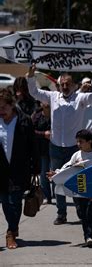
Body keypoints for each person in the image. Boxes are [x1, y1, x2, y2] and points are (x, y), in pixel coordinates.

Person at [26, 64, 92, 225]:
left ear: (74, 85)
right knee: (57, 179)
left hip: (74, 148)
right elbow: (34, 92)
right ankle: (61, 213)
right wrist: (31, 76)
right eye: (62, 84)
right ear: (59, 84)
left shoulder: (80, 98)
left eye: (68, 84)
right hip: (55, 146)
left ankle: (79, 208)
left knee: (76, 179)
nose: (65, 86)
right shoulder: (53, 96)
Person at [0, 88, 39, 249]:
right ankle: (13, 227)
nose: (1, 111)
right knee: (5, 201)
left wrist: (36, 167)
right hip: (1, 169)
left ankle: (11, 231)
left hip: (19, 168)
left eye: (3, 107)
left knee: (15, 201)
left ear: (12, 105)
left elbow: (33, 146)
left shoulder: (24, 121)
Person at [48, 130, 92, 247]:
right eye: (77, 141)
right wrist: (55, 173)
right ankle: (87, 234)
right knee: (81, 213)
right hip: (79, 189)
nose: (78, 144)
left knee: (90, 213)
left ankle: (89, 236)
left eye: (81, 141)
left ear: (89, 141)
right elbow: (67, 168)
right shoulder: (76, 155)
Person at [32, 100, 52, 204]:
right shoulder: (36, 116)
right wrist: (43, 134)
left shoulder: (56, 114)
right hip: (42, 149)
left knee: (56, 173)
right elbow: (31, 131)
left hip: (56, 148)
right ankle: (46, 196)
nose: (46, 103)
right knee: (44, 174)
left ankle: (59, 196)